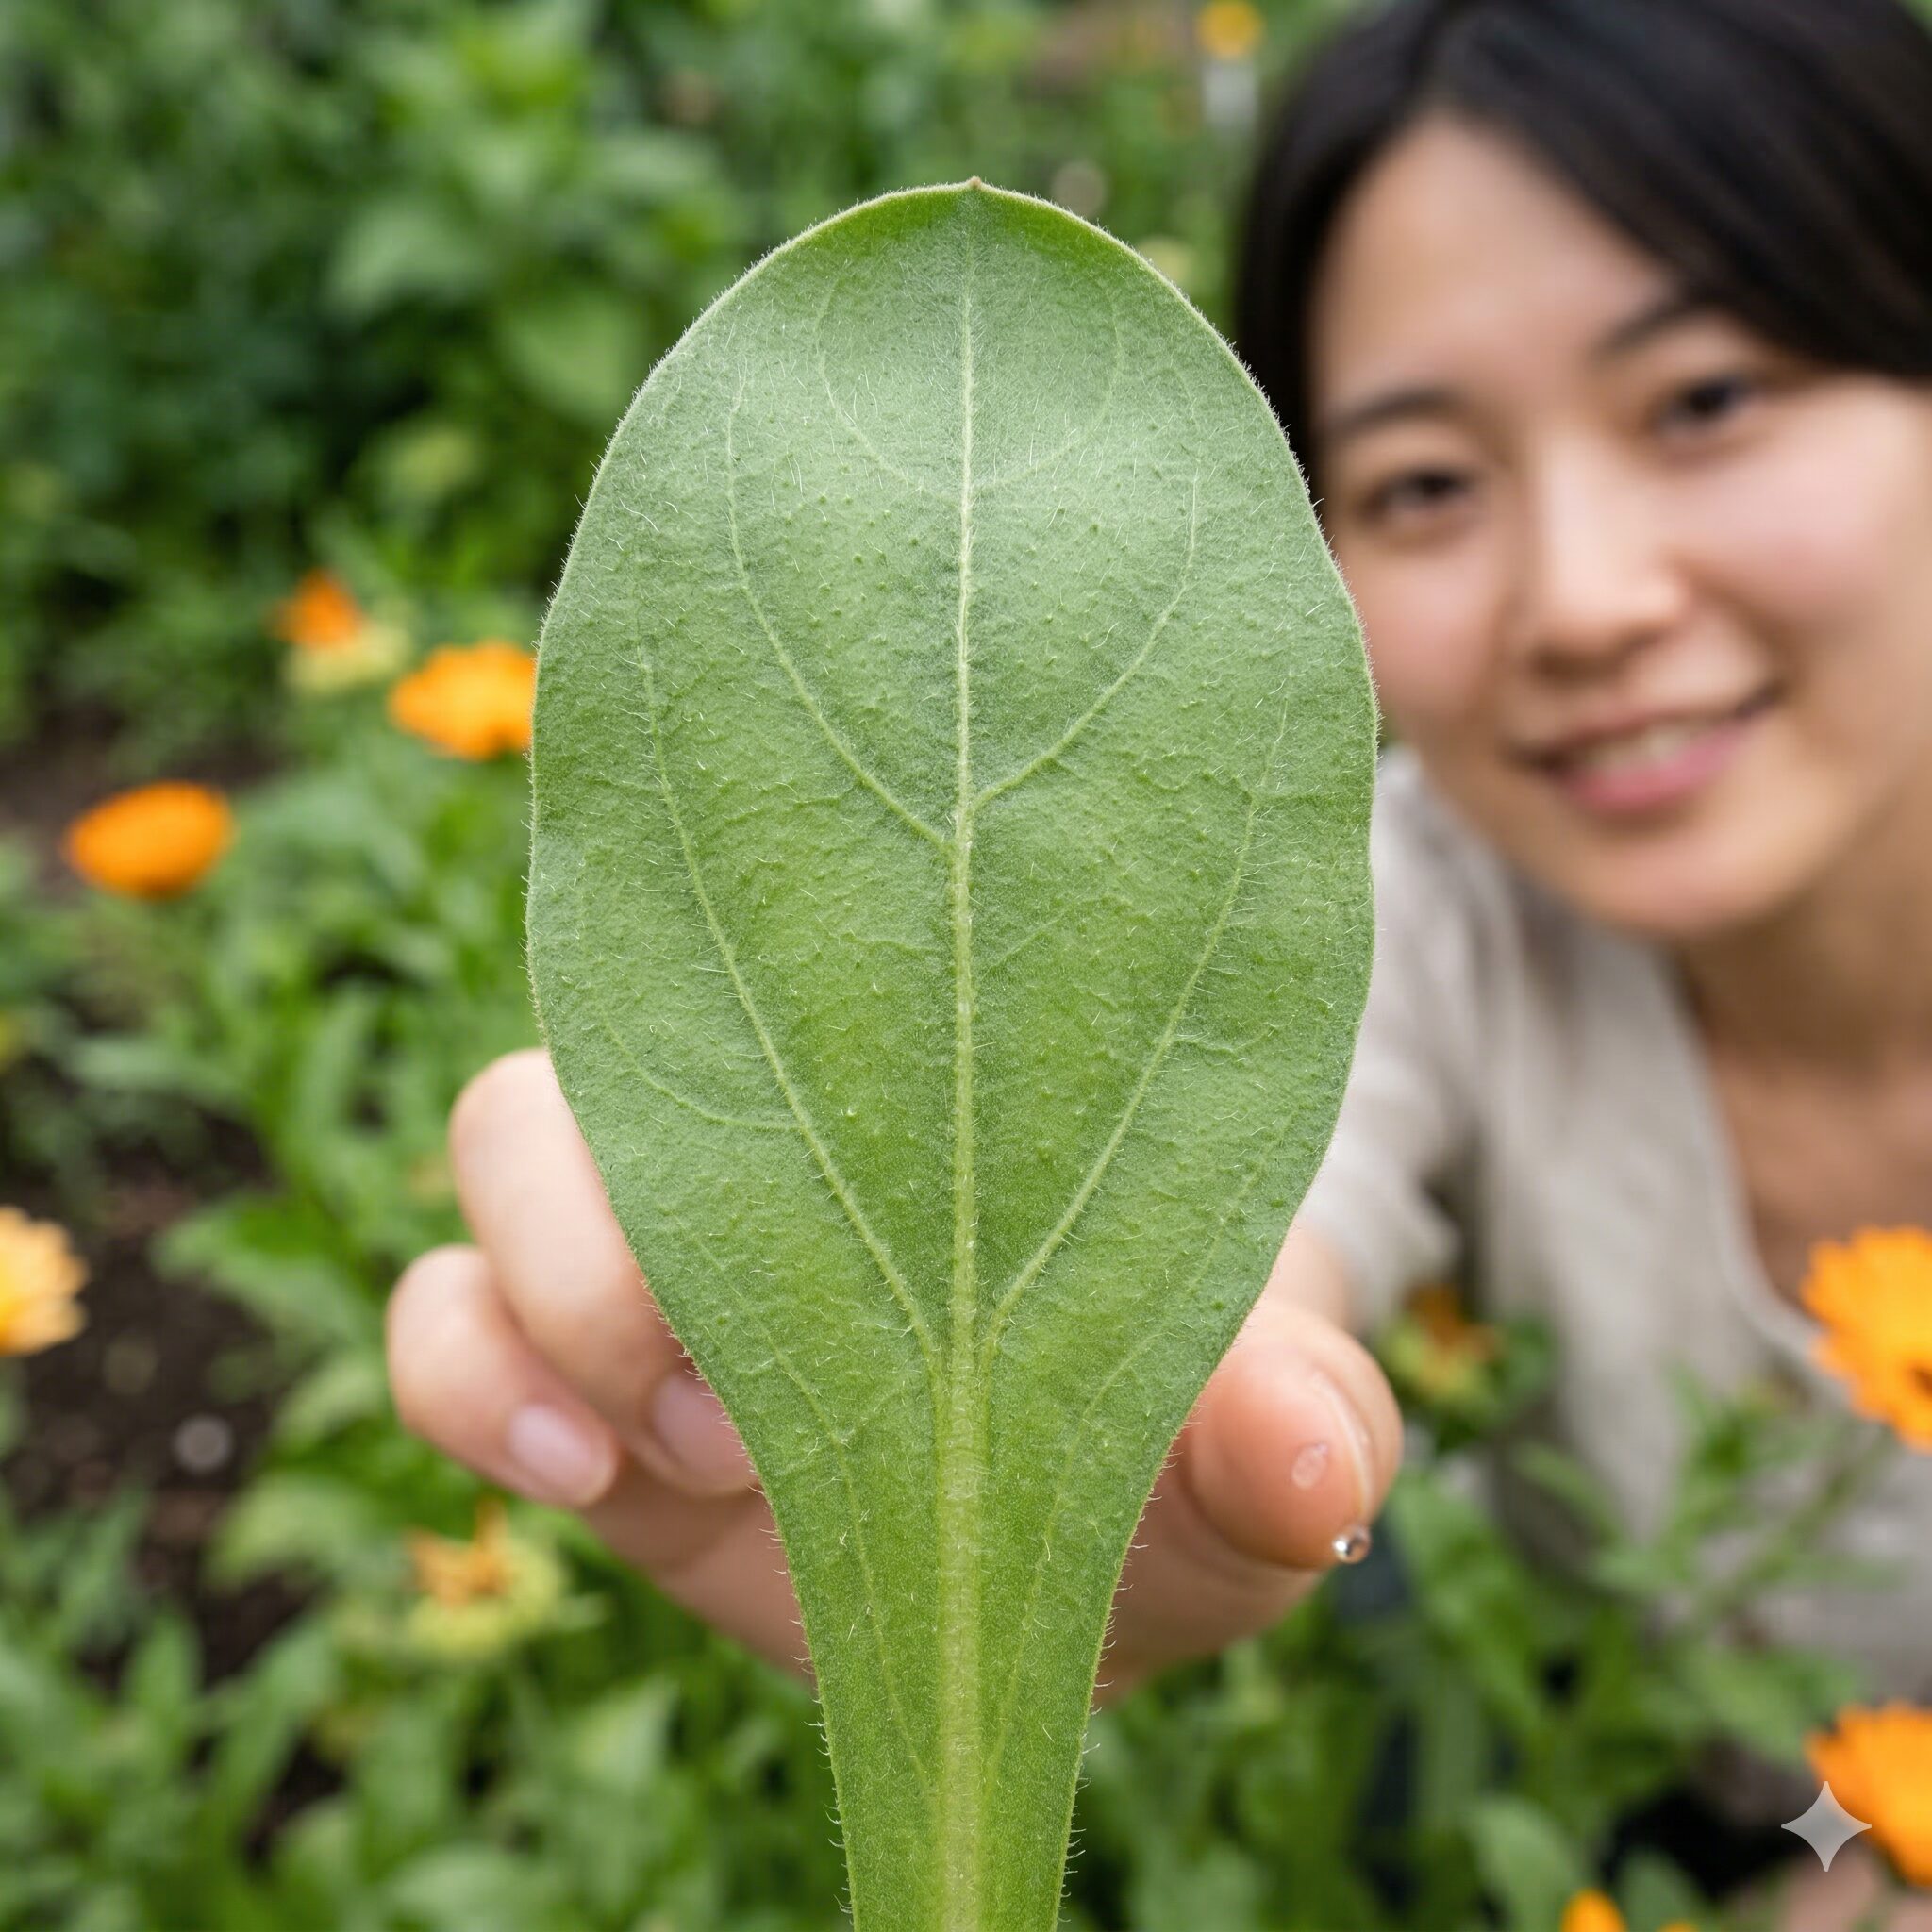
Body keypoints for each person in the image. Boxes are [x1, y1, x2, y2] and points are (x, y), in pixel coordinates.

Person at [386, 0, 1932, 1920]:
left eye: (1703, 401)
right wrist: (1054, 1481)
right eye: (1423, 483)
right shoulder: (1390, 901)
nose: (1585, 600)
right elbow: (1245, 1248)